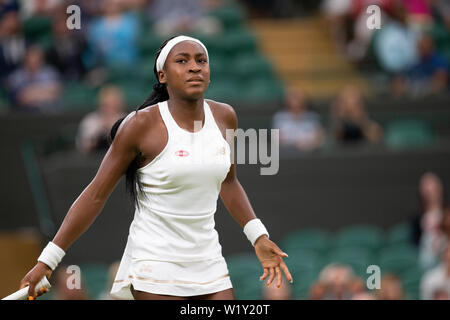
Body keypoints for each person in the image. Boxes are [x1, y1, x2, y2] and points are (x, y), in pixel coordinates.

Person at [18, 35, 293, 300]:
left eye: (201, 60)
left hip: (209, 260)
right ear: (163, 75)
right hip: (154, 263)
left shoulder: (225, 116)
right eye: (182, 61)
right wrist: (48, 260)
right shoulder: (139, 125)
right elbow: (95, 195)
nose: (195, 66)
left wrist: (258, 236)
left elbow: (229, 183)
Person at [7, 44, 62, 113]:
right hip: (22, 114)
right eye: (30, 59)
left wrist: (31, 93)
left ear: (42, 60)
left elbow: (56, 93)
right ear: (25, 60)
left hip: (47, 112)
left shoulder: (50, 73)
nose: (33, 62)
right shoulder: (16, 76)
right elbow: (21, 97)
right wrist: (43, 92)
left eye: (37, 60)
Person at [75, 85, 127, 155]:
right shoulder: (91, 121)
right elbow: (83, 147)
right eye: (107, 105)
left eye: (113, 105)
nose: (110, 109)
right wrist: (99, 134)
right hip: (93, 160)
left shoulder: (126, 120)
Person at [271, 87, 325, 152]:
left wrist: (307, 146)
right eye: (293, 97)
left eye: (298, 97)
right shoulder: (279, 117)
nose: (296, 101)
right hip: (286, 155)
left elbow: (319, 140)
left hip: (310, 155)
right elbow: (275, 140)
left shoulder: (313, 117)